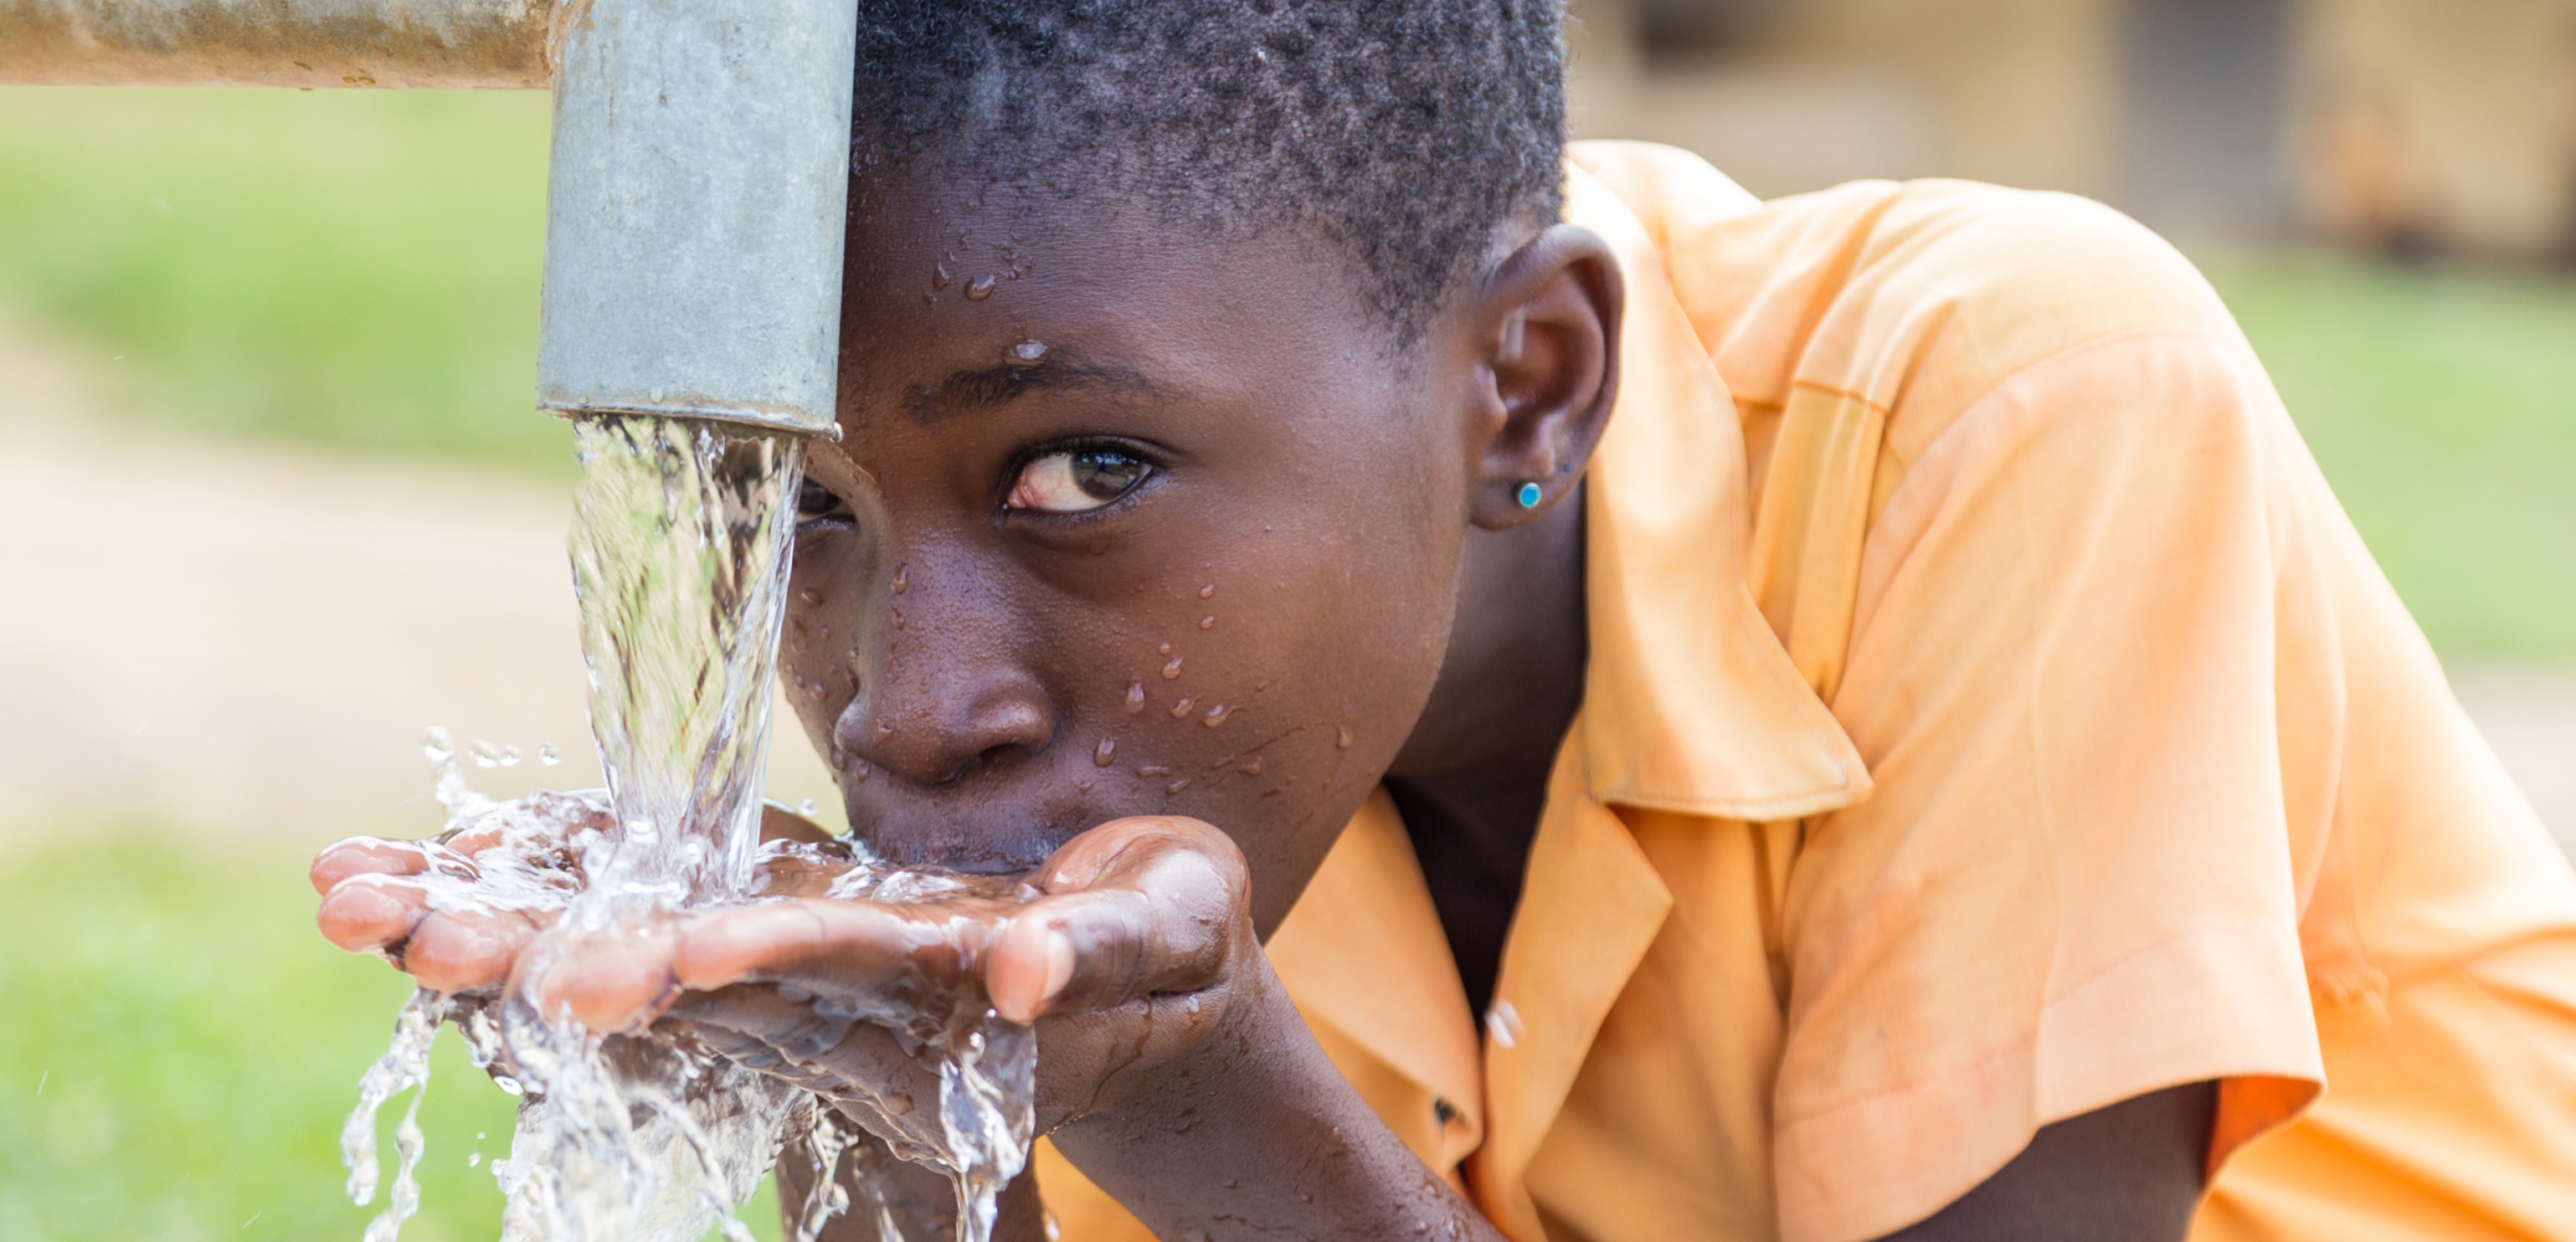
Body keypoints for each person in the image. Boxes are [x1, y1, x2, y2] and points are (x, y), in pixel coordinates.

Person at [310, 1, 2576, 1238]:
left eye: (1083, 470)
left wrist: (1210, 1102)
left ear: (1531, 382)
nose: (916, 703)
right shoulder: (1183, 818)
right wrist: (875, 1103)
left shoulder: (2005, 405)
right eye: (784, 512)